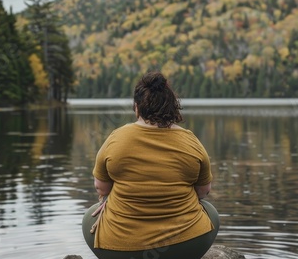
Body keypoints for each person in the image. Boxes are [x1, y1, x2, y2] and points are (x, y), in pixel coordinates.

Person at [82, 71, 219, 259]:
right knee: (210, 211)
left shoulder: (116, 138)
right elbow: (203, 191)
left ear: (137, 107)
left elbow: (101, 187)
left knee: (91, 215)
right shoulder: (190, 141)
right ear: (172, 106)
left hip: (119, 249)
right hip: (184, 246)